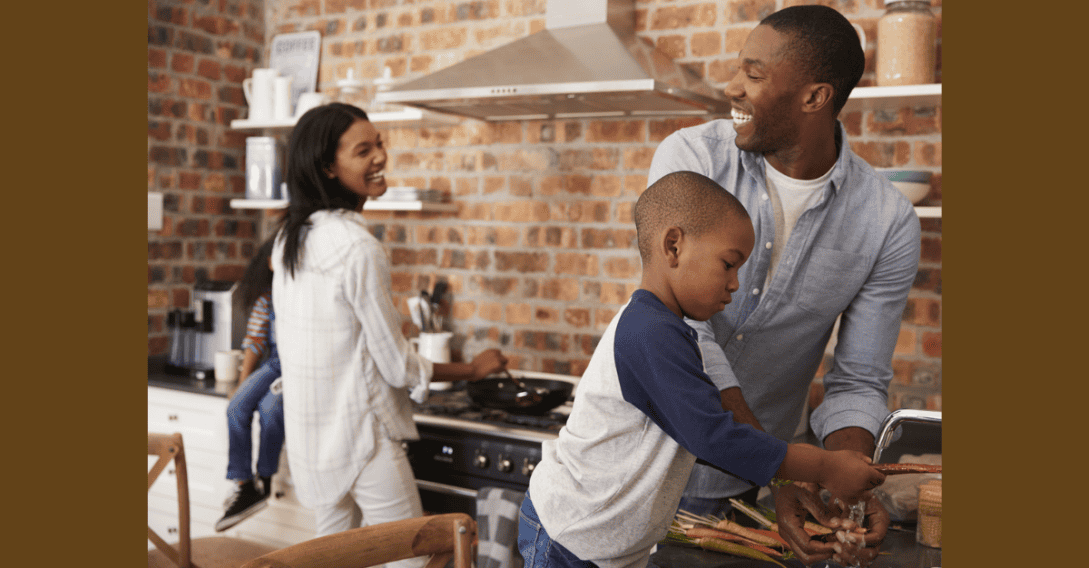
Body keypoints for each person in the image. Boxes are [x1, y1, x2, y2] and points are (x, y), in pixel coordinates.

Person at [646, 5, 921, 566]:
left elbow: (858, 380)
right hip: (643, 472)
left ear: (814, 97)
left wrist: (847, 483)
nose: (732, 87)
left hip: (751, 494)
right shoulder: (692, 161)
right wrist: (779, 466)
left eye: (753, 74)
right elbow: (682, 331)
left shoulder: (886, 220)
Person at [517, 171, 886, 568]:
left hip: (603, 543)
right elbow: (712, 437)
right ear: (673, 246)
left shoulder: (669, 330)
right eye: (729, 264)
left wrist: (786, 476)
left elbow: (706, 429)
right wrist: (826, 466)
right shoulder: (649, 333)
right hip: (570, 536)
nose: (735, 284)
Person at [270, 103, 509, 559]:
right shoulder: (359, 248)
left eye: (379, 143)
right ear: (328, 168)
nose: (380, 156)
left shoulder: (290, 240)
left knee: (328, 561)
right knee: (418, 559)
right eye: (364, 150)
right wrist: (473, 370)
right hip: (363, 441)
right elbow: (398, 366)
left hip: (312, 443)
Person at [215, 238, 284, 532]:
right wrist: (244, 386)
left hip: (298, 367)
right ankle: (244, 484)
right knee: (236, 408)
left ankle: (264, 481)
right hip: (276, 363)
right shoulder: (268, 299)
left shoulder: (303, 295)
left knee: (271, 409)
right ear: (270, 262)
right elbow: (255, 342)